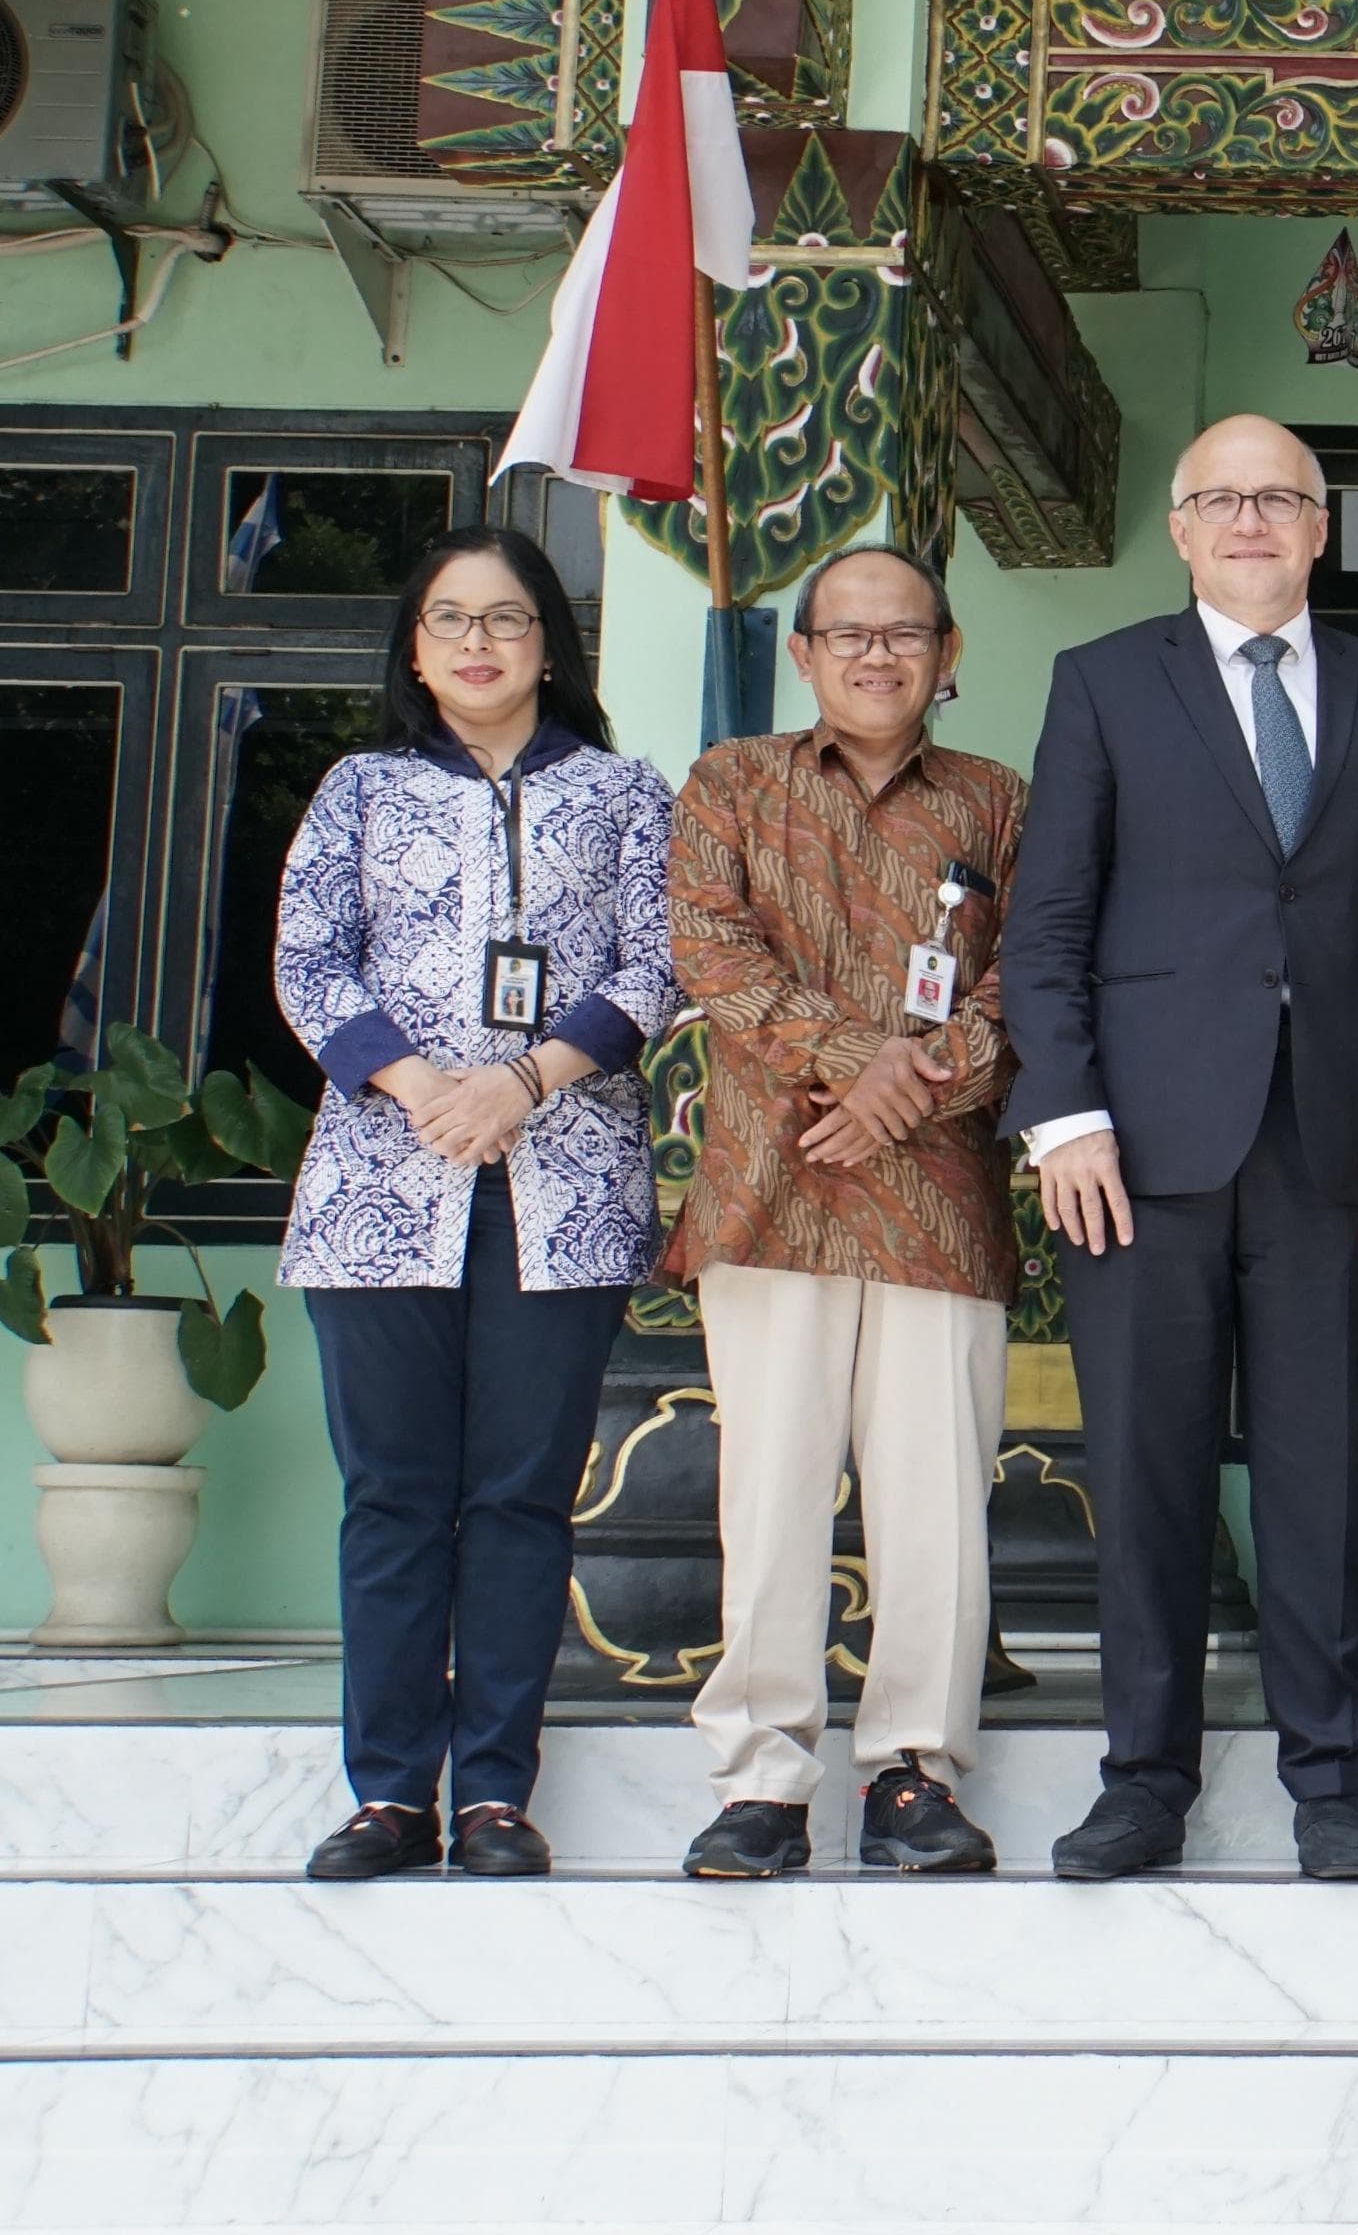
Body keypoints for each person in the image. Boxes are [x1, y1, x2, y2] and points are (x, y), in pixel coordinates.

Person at [1004, 415, 1358, 1884]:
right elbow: (1050, 926)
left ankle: (1331, 1775)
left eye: (1281, 498)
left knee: (1325, 1474)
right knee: (1146, 1472)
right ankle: (1145, 1779)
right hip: (1136, 1150)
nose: (1252, 520)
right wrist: (1062, 1113)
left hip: (1335, 1145)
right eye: (1221, 498)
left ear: (1322, 529)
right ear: (1182, 532)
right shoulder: (1103, 684)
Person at [274, 526, 675, 1882]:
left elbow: (656, 964)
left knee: (518, 1498)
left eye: (507, 619)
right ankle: (391, 1792)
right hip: (382, 1192)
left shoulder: (625, 793)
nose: (480, 643)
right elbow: (309, 963)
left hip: (560, 1190)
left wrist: (525, 1082)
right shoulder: (360, 789)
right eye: (451, 620)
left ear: (550, 644)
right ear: (415, 649)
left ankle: (495, 1790)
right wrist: (421, 1087)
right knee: (393, 1496)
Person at [664, 544, 1026, 1881]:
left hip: (935, 1203)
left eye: (906, 634)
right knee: (769, 1498)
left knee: (937, 1502)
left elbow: (1030, 976)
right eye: (849, 634)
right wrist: (853, 1065)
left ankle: (915, 1775)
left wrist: (907, 1091)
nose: (879, 655)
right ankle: (762, 1780)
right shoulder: (733, 783)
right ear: (806, 654)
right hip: (773, 1191)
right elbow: (711, 948)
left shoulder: (999, 804)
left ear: (948, 654)